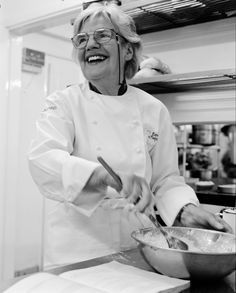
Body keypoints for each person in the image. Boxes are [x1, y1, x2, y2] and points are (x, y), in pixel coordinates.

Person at [28, 2, 232, 268]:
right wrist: (100, 176)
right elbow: (43, 160)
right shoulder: (63, 103)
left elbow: (165, 179)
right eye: (81, 39)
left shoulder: (153, 109)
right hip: (77, 250)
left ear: (127, 49)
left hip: (137, 245)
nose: (90, 45)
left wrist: (185, 209)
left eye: (102, 35)